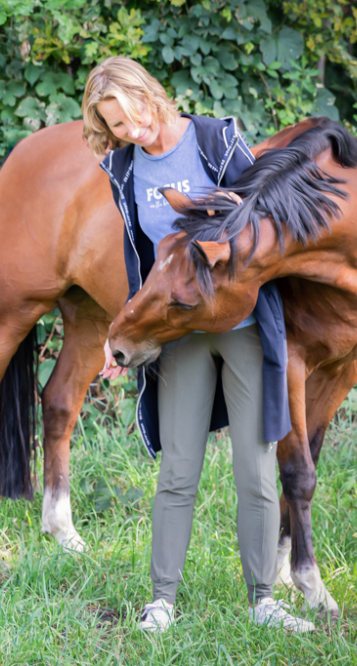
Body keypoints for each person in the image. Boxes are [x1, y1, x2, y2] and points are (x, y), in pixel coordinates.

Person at [80, 56, 314, 634]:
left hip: (241, 329)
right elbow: (142, 260)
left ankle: (265, 600)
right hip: (179, 334)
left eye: (128, 116)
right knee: (178, 470)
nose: (126, 131)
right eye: (112, 126)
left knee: (255, 471)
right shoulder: (124, 169)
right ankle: (162, 601)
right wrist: (125, 339)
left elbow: (265, 223)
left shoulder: (215, 138)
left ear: (147, 95)